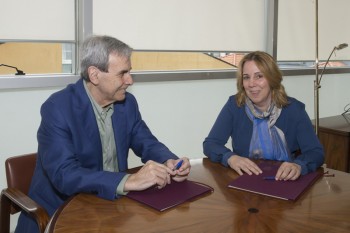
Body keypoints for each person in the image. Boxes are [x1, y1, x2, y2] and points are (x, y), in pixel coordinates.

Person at [15, 35, 191, 233]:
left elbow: (146, 142)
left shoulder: (127, 104)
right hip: (62, 212)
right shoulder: (58, 108)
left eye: (130, 72)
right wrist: (128, 181)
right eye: (122, 73)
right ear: (95, 75)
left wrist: (169, 160)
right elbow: (65, 174)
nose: (130, 80)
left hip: (112, 206)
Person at [203, 51, 324, 181]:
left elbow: (316, 152)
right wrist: (230, 158)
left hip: (284, 180)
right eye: (246, 77)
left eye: (259, 76)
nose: (251, 84)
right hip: (245, 179)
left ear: (272, 78)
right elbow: (210, 144)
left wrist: (298, 165)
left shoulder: (294, 109)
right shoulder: (235, 105)